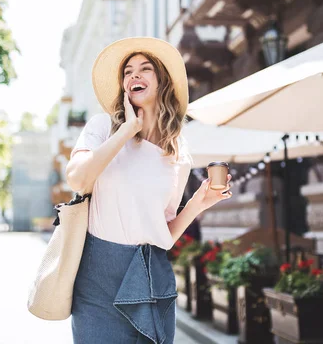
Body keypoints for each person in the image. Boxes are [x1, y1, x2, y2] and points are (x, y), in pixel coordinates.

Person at [65, 37, 232, 344]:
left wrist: (196, 203)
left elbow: (163, 235)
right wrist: (126, 131)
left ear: (161, 81)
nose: (134, 76)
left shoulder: (177, 151)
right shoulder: (103, 127)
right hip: (97, 279)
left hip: (151, 275)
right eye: (127, 71)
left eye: (145, 69)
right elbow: (77, 178)